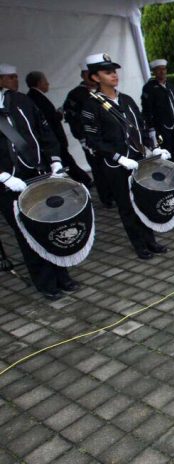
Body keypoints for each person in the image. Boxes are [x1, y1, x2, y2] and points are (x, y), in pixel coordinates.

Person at [81, 53, 171, 260]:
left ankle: (151, 240)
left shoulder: (126, 100)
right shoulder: (91, 105)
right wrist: (117, 157)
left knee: (143, 201)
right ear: (95, 78)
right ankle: (140, 245)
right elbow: (93, 139)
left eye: (114, 71)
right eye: (107, 72)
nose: (113, 75)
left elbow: (140, 126)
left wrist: (152, 148)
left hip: (138, 160)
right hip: (116, 165)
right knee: (127, 206)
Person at [1, 63, 80, 300]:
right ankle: (45, 282)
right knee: (26, 233)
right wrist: (2, 176)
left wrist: (55, 160)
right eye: (9, 77)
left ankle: (61, 274)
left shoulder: (22, 101)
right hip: (8, 183)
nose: (14, 81)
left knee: (50, 225)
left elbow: (44, 132)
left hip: (38, 174)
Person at [25, 71, 93, 188]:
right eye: (45, 81)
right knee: (66, 161)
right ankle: (85, 180)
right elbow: (48, 119)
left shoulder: (35, 96)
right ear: (39, 82)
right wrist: (59, 114)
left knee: (66, 161)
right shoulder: (35, 98)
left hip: (54, 138)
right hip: (53, 138)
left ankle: (84, 180)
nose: (48, 84)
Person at [64, 64, 114, 208]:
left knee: (112, 166)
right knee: (98, 169)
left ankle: (118, 193)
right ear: (83, 76)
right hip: (89, 139)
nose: (90, 77)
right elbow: (71, 117)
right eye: (87, 74)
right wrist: (81, 138)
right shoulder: (76, 94)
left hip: (108, 137)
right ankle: (106, 197)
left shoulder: (103, 90)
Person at [141, 59, 174, 172]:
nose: (161, 72)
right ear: (154, 72)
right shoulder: (149, 88)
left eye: (163, 69)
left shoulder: (171, 86)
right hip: (161, 127)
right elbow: (147, 109)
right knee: (167, 151)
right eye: (158, 70)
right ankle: (169, 176)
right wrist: (150, 128)